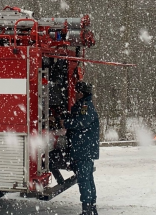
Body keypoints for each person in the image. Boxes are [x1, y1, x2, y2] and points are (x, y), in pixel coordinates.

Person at [63, 81, 100, 215]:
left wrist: (65, 123)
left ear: (82, 93)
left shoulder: (85, 106)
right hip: (85, 149)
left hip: (84, 150)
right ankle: (91, 208)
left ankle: (87, 210)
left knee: (84, 180)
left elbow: (81, 122)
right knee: (88, 179)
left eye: (77, 92)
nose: (75, 94)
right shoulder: (83, 105)